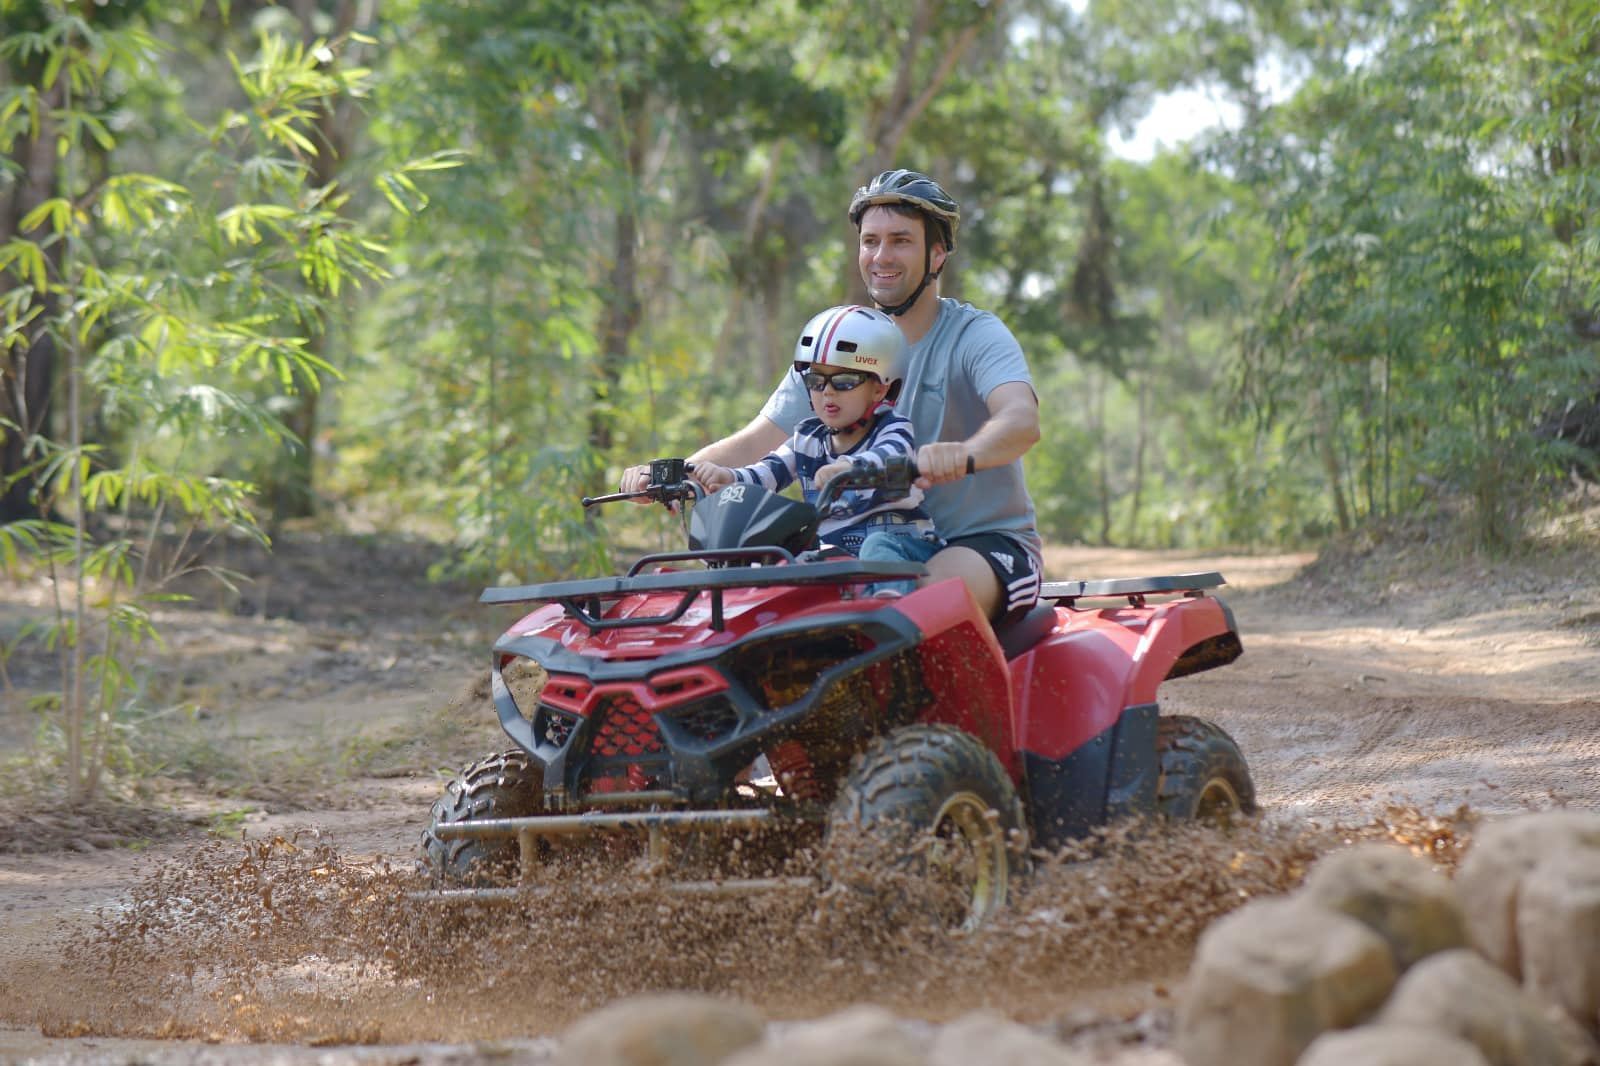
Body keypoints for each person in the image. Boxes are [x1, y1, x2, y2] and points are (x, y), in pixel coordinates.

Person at [623, 169, 1042, 624]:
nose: (881, 255)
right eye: (870, 241)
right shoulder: (839, 344)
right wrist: (676, 473)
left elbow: (1020, 420)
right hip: (856, 549)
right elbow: (757, 441)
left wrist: (960, 454)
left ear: (937, 255)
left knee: (902, 610)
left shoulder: (972, 335)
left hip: (983, 544)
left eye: (901, 240)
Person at [691, 305, 939, 596]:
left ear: (880, 389)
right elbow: (768, 472)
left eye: (845, 381)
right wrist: (729, 478)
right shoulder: (807, 438)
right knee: (781, 558)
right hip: (835, 554)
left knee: (877, 546)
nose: (827, 392)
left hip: (902, 544)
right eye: (816, 381)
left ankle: (887, 608)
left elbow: (890, 457)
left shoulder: (892, 429)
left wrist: (851, 467)